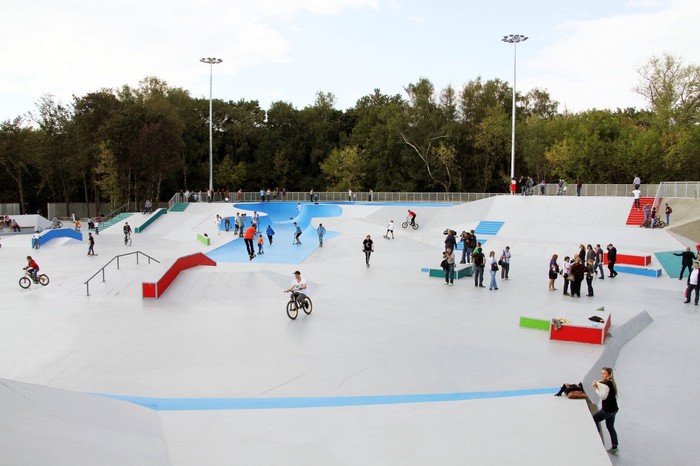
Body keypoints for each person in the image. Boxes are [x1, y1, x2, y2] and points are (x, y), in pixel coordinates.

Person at [592, 367, 620, 454]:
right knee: (610, 427)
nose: (602, 375)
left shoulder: (606, 385)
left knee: (594, 419)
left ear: (609, 375)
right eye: (601, 373)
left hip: (607, 410)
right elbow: (601, 382)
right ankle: (615, 447)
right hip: (614, 410)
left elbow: (602, 396)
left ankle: (597, 440)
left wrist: (595, 388)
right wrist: (597, 383)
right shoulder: (611, 382)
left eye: (604, 373)